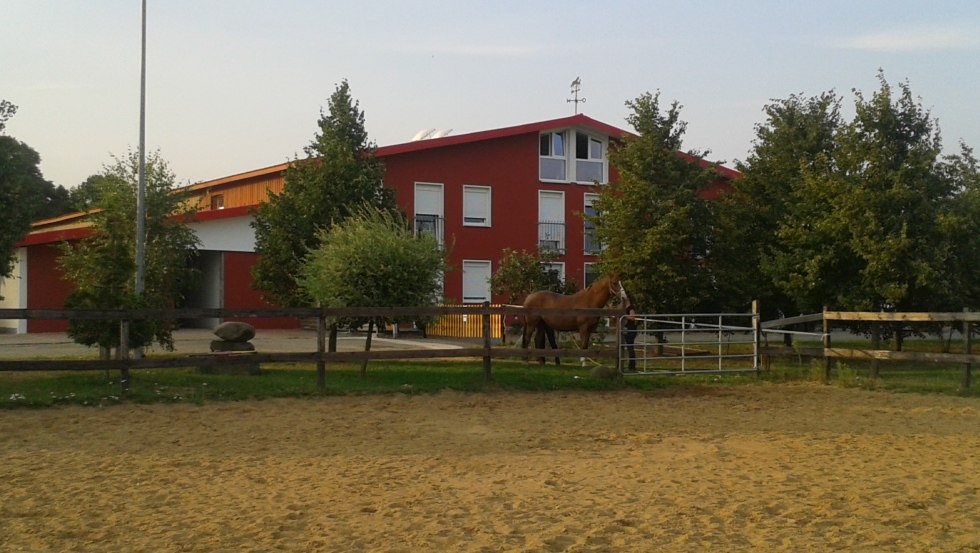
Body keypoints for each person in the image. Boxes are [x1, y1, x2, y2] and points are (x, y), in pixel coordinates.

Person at [621, 294, 638, 372]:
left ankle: (632, 365)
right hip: (627, 328)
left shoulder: (630, 307)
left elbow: (633, 317)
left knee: (630, 347)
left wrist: (623, 316)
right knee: (627, 346)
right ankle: (628, 365)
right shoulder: (626, 308)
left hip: (631, 329)